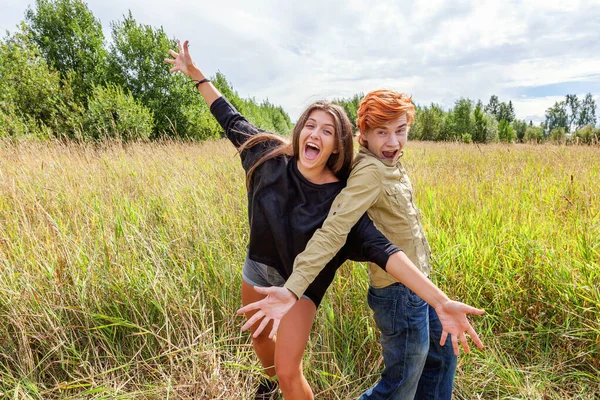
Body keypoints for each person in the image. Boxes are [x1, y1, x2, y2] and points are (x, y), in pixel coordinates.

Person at [166, 41, 483, 400]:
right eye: (310, 126)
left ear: (338, 145)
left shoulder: (339, 201)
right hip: (258, 270)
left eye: (327, 131)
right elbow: (228, 116)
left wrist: (440, 301)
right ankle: (268, 385)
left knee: (289, 370)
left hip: (301, 287)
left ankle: (280, 382)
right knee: (260, 343)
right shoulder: (266, 157)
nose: (315, 134)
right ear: (300, 131)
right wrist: (196, 75)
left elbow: (386, 251)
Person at [239, 90, 484, 399]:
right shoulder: (369, 172)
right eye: (382, 132)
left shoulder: (389, 162)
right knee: (400, 385)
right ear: (363, 134)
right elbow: (337, 231)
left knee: (442, 360)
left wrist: (439, 300)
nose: (393, 142)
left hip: (419, 284)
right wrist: (292, 289)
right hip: (398, 292)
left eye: (400, 131)